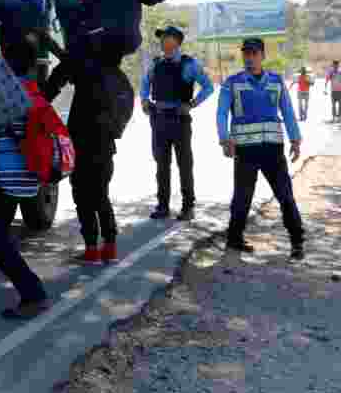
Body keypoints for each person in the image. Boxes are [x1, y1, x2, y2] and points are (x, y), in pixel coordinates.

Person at [217, 38, 304, 260]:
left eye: (254, 53)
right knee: (242, 197)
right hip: (245, 151)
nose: (249, 58)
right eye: (246, 53)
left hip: (273, 150)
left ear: (262, 55)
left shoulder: (276, 81)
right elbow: (221, 113)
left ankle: (297, 242)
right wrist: (225, 139)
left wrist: (295, 139)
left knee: (285, 195)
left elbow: (287, 111)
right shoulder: (232, 83)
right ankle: (234, 239)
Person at [0, 32, 51, 319]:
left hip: (11, 173)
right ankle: (32, 292)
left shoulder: (7, 94)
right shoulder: (32, 89)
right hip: (27, 172)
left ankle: (33, 294)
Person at [44, 55, 129, 265]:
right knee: (100, 195)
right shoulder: (115, 73)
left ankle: (92, 248)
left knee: (82, 196)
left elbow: (55, 81)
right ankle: (109, 247)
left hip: (82, 142)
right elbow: (126, 103)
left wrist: (39, 99)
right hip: (104, 144)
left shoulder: (80, 62)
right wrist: (115, 129)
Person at [140, 26, 215, 221]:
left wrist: (192, 104)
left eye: (165, 37)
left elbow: (208, 87)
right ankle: (162, 206)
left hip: (179, 119)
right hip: (159, 119)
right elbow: (145, 83)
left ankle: (188, 207)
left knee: (184, 164)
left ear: (176, 41)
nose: (162, 41)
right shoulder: (156, 64)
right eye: (161, 38)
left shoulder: (189, 64)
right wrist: (144, 100)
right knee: (161, 165)